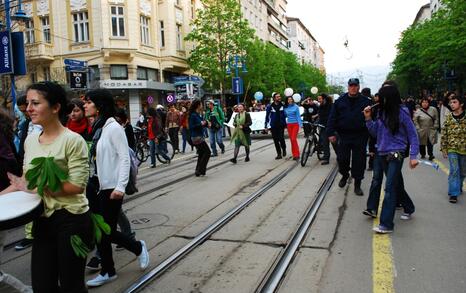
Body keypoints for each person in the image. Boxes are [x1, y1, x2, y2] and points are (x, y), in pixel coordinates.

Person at [0, 82, 93, 292]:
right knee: (42, 286)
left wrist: (34, 189)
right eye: (27, 103)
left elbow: (76, 186)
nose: (28, 108)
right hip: (42, 220)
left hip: (72, 220)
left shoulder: (73, 140)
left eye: (35, 103)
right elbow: (23, 181)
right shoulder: (31, 141)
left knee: (72, 286)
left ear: (55, 107)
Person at [84, 89, 149, 288]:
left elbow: (123, 158)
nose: (85, 105)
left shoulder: (113, 127)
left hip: (112, 187)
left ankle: (137, 247)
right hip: (96, 185)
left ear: (99, 105)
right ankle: (108, 270)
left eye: (88, 102)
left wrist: (120, 186)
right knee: (101, 231)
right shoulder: (97, 127)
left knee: (107, 231)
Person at [363, 84, 419, 234]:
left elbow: (413, 135)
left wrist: (413, 156)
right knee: (395, 184)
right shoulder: (381, 112)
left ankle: (386, 224)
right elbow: (376, 133)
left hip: (396, 154)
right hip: (381, 153)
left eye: (382, 97)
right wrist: (368, 119)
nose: (379, 100)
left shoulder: (403, 113)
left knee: (389, 188)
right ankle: (409, 207)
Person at [327, 78, 372, 195]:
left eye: (355, 86)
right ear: (348, 87)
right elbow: (332, 118)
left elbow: (372, 119)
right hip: (344, 135)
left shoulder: (366, 101)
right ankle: (345, 174)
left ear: (358, 87)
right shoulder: (340, 101)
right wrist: (330, 133)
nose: (353, 88)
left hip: (360, 135)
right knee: (342, 159)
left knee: (359, 161)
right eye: (351, 86)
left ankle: (357, 184)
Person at [440, 95, 466, 203]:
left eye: (454, 102)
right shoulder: (449, 118)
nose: (452, 104)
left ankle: (458, 187)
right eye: (451, 103)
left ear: (461, 104)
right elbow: (444, 133)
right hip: (452, 149)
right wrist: (444, 148)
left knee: (463, 172)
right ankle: (453, 193)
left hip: (464, 149)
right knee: (454, 170)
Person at [188, 100, 211, 176]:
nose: (202, 106)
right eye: (201, 104)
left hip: (199, 136)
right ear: (198, 106)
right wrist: (201, 124)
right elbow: (192, 127)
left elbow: (202, 123)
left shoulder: (197, 114)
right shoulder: (193, 115)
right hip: (196, 137)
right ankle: (201, 170)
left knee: (201, 153)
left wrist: (206, 124)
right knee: (207, 152)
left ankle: (198, 170)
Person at [265, 93, 287, 159]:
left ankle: (284, 148)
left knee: (281, 138)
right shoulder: (270, 106)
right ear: (274, 98)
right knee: (275, 140)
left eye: (279, 96)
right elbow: (267, 116)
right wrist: (266, 125)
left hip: (281, 124)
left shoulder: (283, 105)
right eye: (277, 97)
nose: (279, 98)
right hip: (273, 125)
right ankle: (279, 154)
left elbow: (286, 113)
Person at [316, 94, 334, 165]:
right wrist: (317, 122)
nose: (319, 100)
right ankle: (326, 158)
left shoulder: (331, 106)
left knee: (334, 143)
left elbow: (332, 116)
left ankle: (340, 157)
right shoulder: (321, 106)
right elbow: (320, 116)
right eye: (318, 99)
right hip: (323, 127)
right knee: (325, 143)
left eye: (320, 99)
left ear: (324, 99)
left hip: (331, 127)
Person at [284, 96, 302, 160]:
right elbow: (284, 115)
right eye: (288, 99)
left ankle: (297, 154)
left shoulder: (296, 107)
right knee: (291, 140)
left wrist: (300, 124)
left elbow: (298, 116)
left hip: (295, 124)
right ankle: (294, 155)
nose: (290, 100)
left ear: (293, 100)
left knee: (293, 139)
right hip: (289, 125)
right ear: (287, 101)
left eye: (291, 99)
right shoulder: (285, 108)